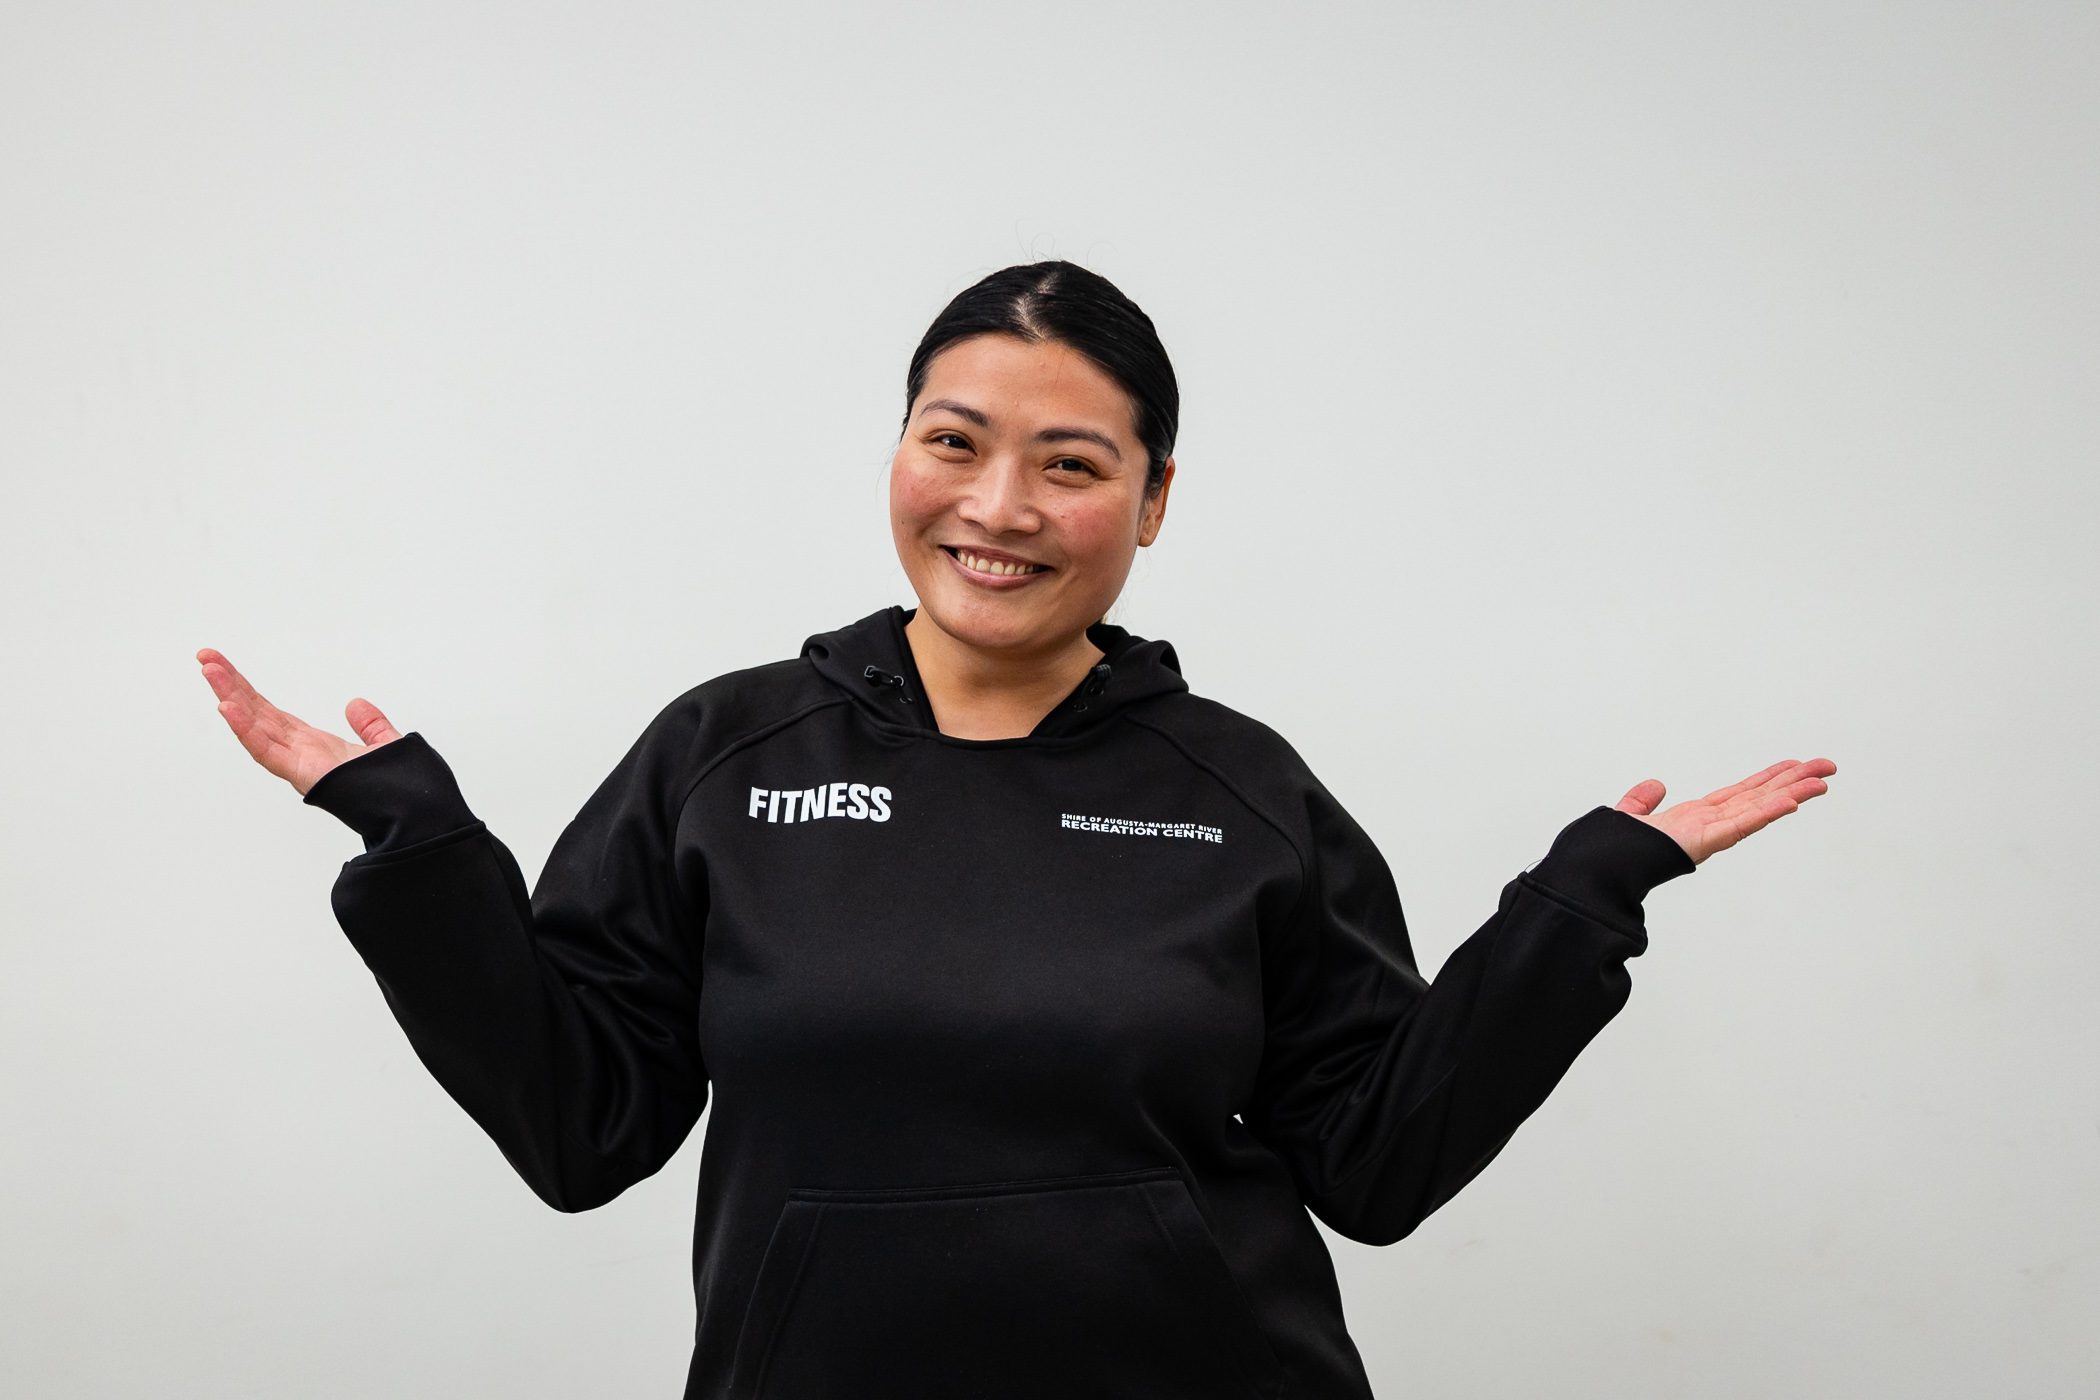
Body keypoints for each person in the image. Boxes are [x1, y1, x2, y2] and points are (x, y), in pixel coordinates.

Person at [198, 259, 1835, 1400]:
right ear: (899, 450)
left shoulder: (1238, 788)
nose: (996, 510)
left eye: (1070, 465)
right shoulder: (724, 755)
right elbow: (579, 1126)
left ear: (1154, 499)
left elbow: (1381, 1162)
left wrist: (1582, 904)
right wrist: (415, 847)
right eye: (954, 443)